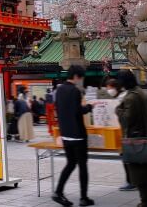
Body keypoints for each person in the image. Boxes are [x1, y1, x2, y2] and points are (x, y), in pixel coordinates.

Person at [115, 70, 147, 207]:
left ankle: (146, 203)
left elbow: (127, 120)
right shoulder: (140, 92)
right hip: (145, 136)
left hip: (136, 142)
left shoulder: (130, 97)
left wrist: (118, 110)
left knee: (140, 178)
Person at [53, 65, 95, 207]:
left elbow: (59, 109)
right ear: (76, 76)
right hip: (78, 135)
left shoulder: (59, 90)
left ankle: (58, 192)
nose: (80, 80)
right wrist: (89, 107)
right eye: (81, 77)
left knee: (70, 163)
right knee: (82, 166)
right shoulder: (75, 91)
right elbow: (78, 111)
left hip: (65, 134)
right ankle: (83, 198)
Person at [105, 78, 136, 192]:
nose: (108, 90)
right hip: (122, 131)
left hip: (126, 132)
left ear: (115, 87)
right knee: (126, 158)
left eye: (109, 88)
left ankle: (131, 181)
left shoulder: (123, 97)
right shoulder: (120, 97)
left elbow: (124, 116)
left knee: (127, 158)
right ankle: (131, 181)